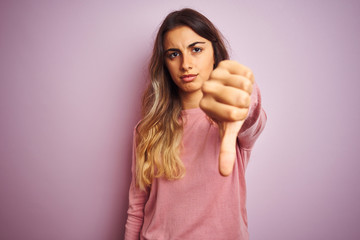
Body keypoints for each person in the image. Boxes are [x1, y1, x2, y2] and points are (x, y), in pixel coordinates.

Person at [125, 8, 267, 240]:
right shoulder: (147, 129)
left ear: (215, 53)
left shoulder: (231, 120)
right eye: (173, 54)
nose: (185, 64)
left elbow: (251, 116)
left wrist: (244, 97)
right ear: (165, 63)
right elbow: (137, 206)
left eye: (196, 49)